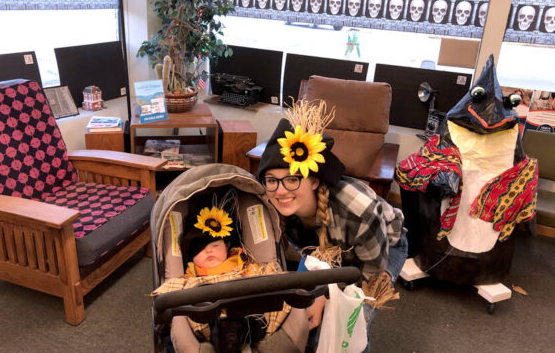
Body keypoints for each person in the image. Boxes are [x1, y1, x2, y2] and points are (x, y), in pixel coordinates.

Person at [256, 100, 408, 351]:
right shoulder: (272, 203)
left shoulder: (359, 210)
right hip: (323, 250)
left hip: (378, 253)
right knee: (300, 312)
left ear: (314, 180)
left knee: (345, 330)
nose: (280, 191)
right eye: (272, 180)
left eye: (292, 179)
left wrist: (327, 296)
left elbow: (369, 272)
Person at [153, 205, 291, 353]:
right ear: (191, 257)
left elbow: (267, 277)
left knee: (274, 291)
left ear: (227, 246)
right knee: (184, 308)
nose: (209, 250)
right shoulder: (190, 277)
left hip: (250, 310)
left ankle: (249, 329)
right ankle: (228, 332)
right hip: (209, 319)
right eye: (200, 249)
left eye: (215, 245)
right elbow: (169, 290)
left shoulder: (243, 265)